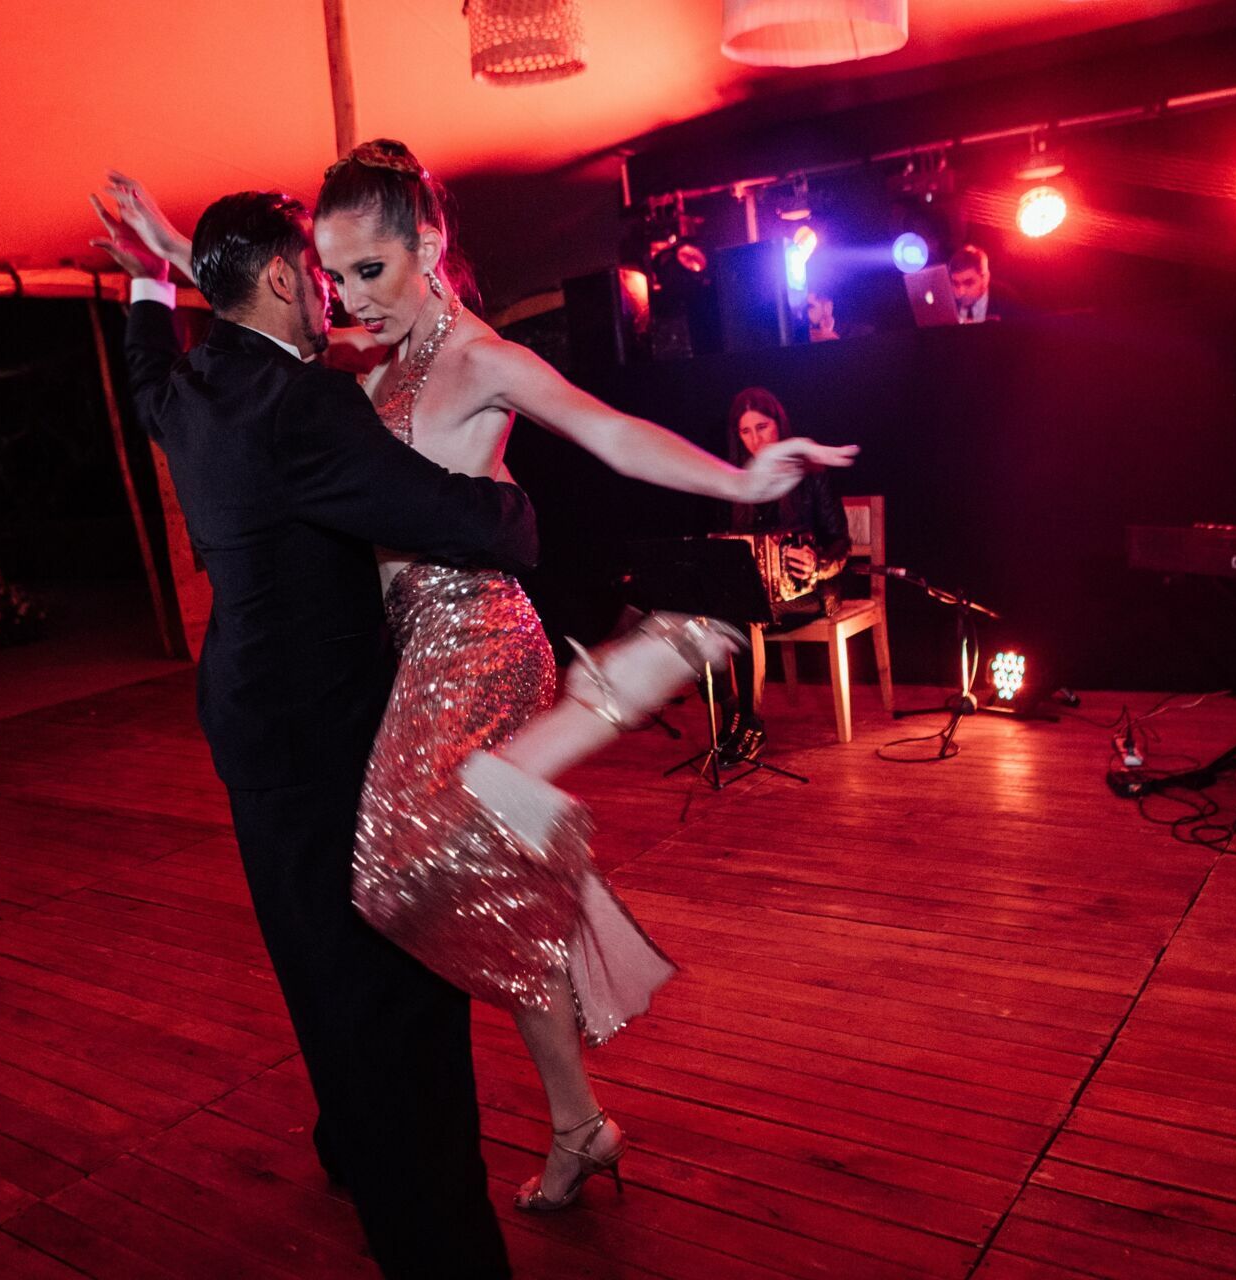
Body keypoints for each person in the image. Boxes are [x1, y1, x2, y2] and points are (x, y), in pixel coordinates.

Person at [100, 141, 853, 1220]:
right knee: (489, 894)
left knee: (405, 855)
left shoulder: (484, 358)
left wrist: (738, 476)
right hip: (408, 641)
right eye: (332, 275)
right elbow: (256, 309)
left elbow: (607, 431)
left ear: (429, 245)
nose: (348, 296)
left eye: (369, 270)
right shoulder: (373, 349)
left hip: (479, 637)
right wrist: (175, 254)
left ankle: (627, 679)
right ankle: (578, 1123)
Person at [95, 184, 538, 1279]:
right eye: (319, 272)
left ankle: (348, 1139)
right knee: (398, 997)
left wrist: (148, 282)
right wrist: (514, 508)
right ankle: (439, 1248)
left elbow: (142, 371)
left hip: (248, 724)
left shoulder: (191, 387)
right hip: (328, 735)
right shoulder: (303, 407)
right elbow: (440, 513)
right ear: (285, 276)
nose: (332, 293)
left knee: (312, 956)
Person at [718, 387, 852, 765]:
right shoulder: (737, 480)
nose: (756, 440)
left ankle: (751, 724)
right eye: (746, 432)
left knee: (745, 614)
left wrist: (817, 563)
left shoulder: (811, 473)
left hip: (811, 589)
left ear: (779, 424)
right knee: (704, 617)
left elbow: (841, 540)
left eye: (762, 427)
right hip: (758, 593)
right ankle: (732, 715)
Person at [949, 244, 996, 324]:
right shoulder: (947, 302)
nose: (960, 293)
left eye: (968, 283)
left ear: (985, 279)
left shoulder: (1008, 303)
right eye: (956, 284)